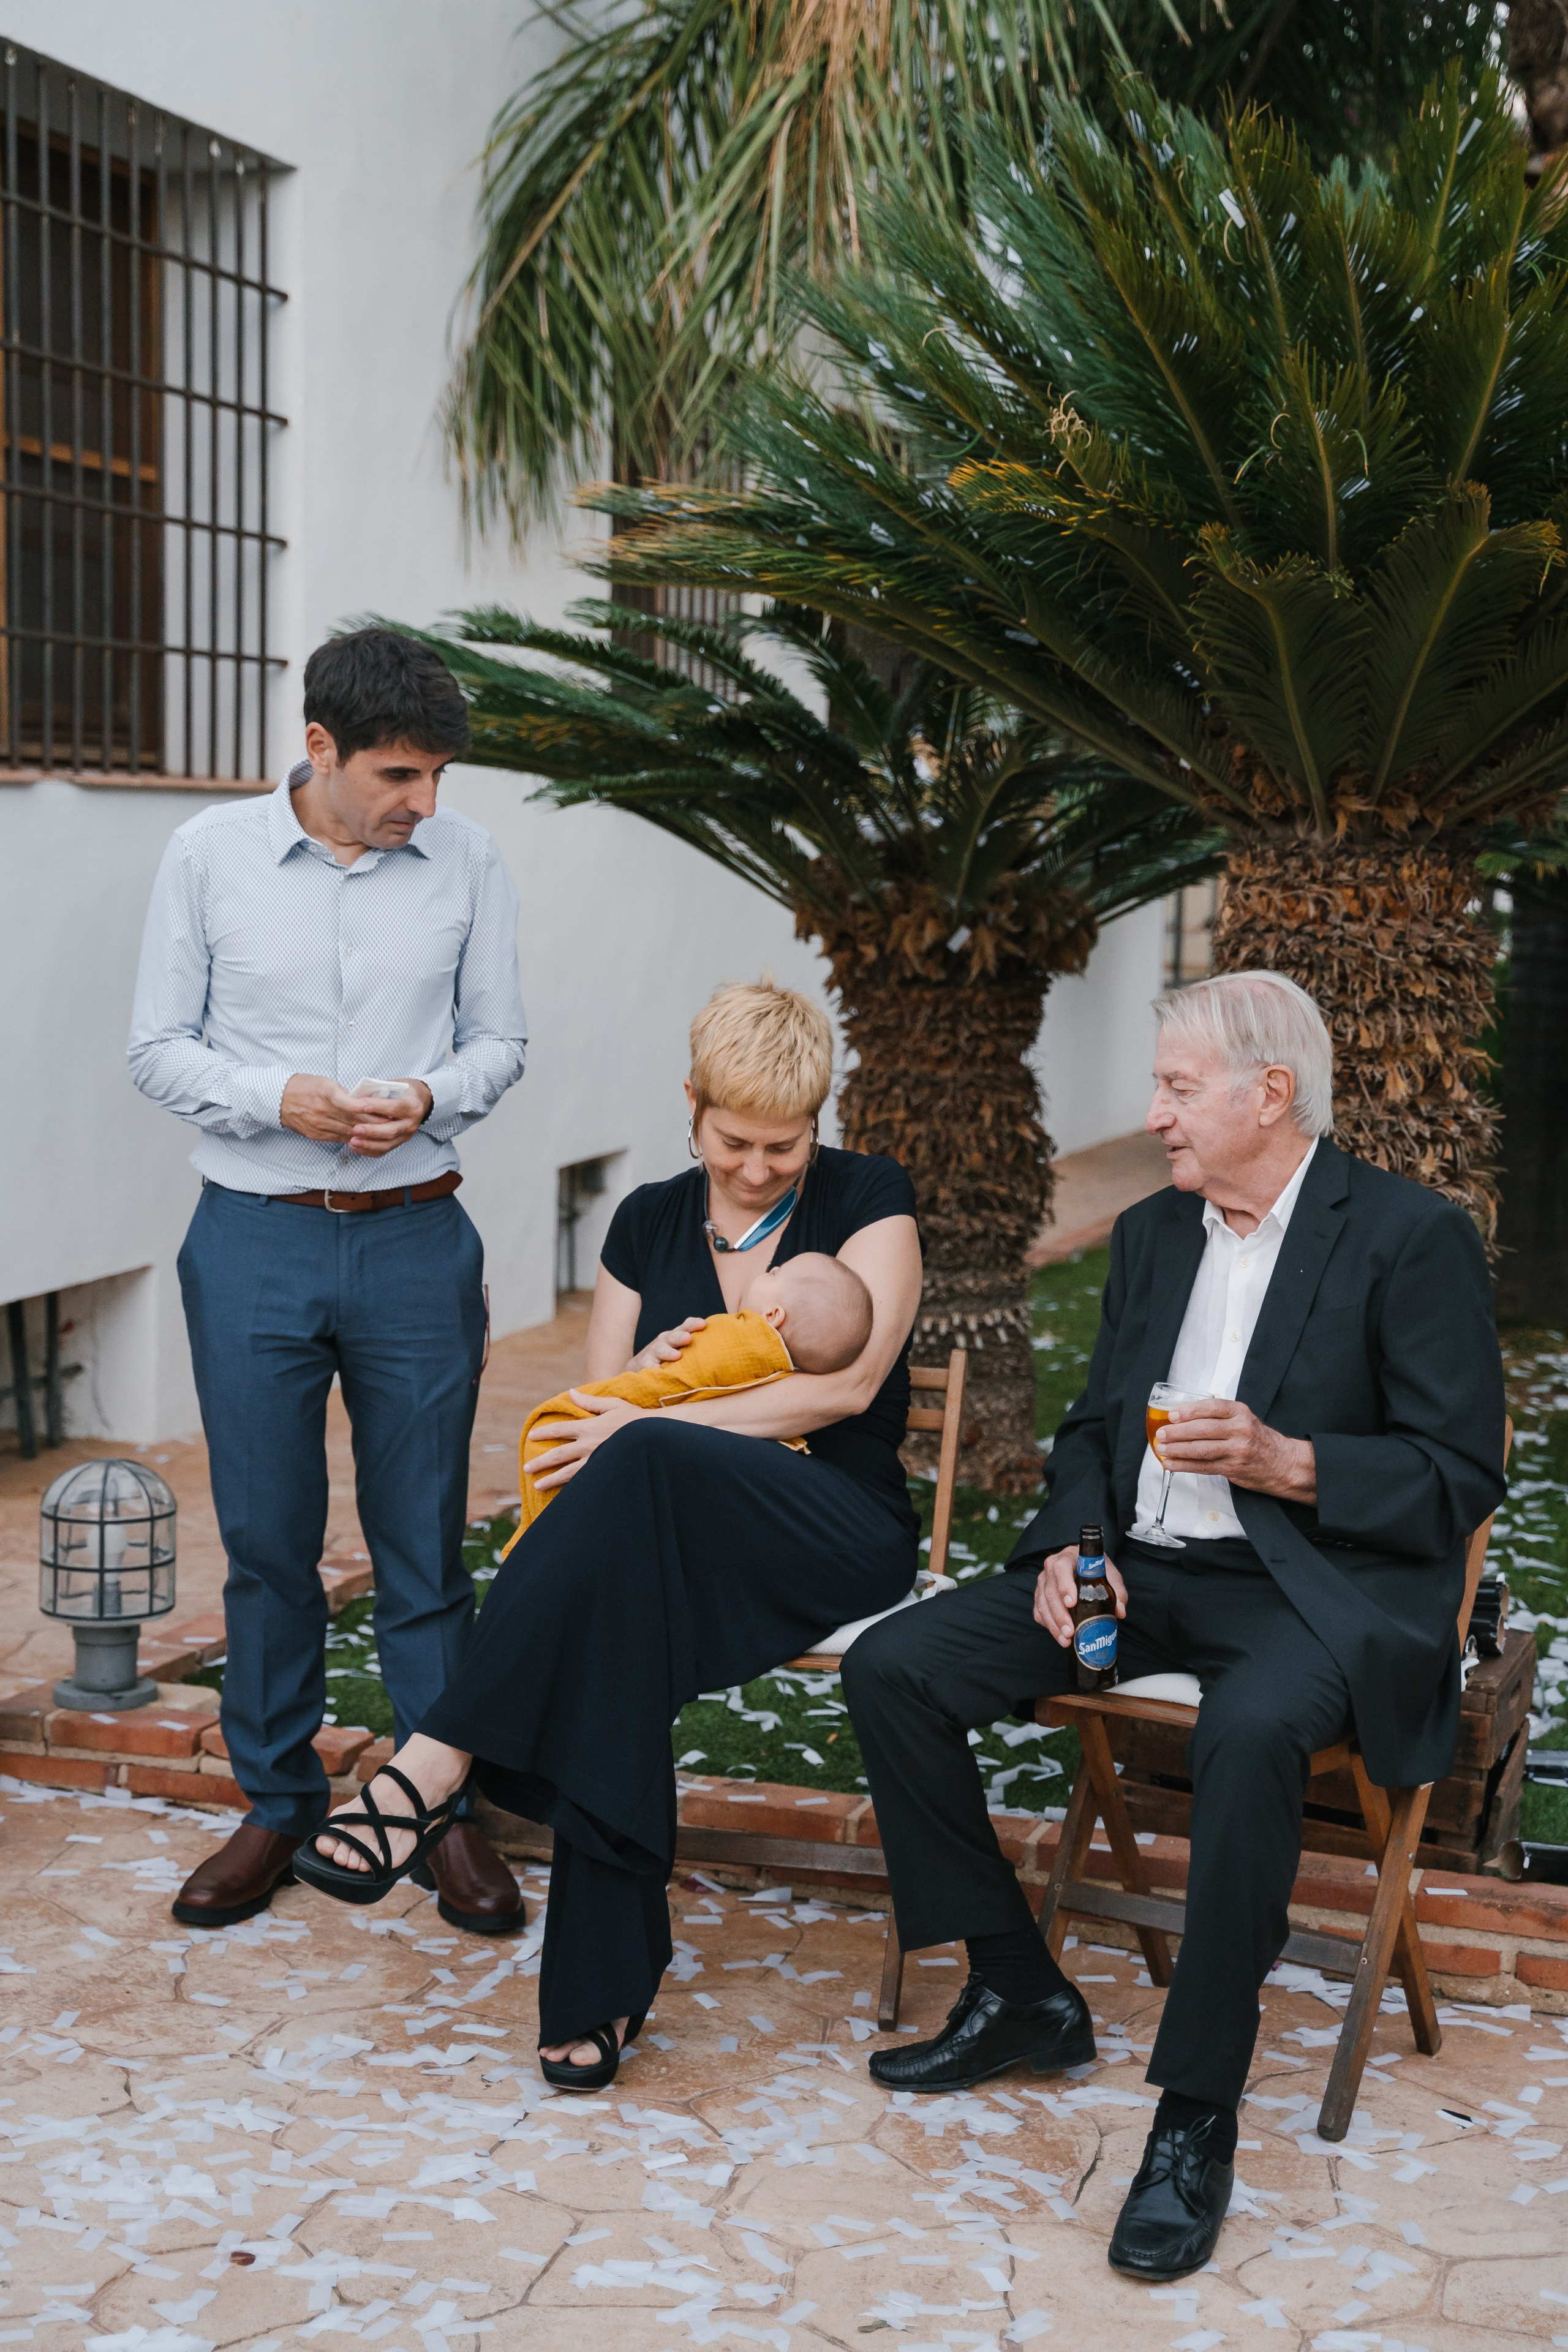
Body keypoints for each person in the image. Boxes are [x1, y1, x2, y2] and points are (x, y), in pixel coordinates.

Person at [840, 970, 1507, 2283]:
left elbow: (1456, 1474)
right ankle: (1018, 1988)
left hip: (1306, 1593)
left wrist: (1287, 1461)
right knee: (893, 1667)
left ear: (1270, 1094)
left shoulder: (1403, 1235)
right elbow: (1092, 1428)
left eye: (1174, 1087)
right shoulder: (1153, 1233)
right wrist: (1072, 1547)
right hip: (1137, 1570)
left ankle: (1192, 2122)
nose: (1151, 1114)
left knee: (1249, 1738)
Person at [292, 979, 924, 2092]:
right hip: (674, 1536)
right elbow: (595, 1418)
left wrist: (660, 1415)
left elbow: (848, 1388)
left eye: (788, 1144)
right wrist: (647, 1397)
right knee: (612, 1621)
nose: (764, 1168)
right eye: (737, 1141)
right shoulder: (643, 1223)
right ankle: (597, 1996)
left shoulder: (871, 1197)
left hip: (830, 1524)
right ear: (692, 1106)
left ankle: (436, 1757)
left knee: (630, 1481)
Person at [127, 628, 529, 1937]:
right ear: (320, 751)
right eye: (401, 776)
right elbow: (158, 1049)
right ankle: (277, 1801)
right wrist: (273, 1097)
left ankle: (431, 1807)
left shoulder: (466, 859)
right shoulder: (208, 860)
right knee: (265, 1541)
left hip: (417, 1236)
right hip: (253, 1234)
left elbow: (499, 1044)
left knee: (423, 1545)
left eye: (435, 778)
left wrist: (427, 1093)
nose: (424, 803)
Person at [513, 1251, 873, 1523]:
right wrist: (641, 1364)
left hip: (648, 1458)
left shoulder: (735, 1338)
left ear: (773, 1316)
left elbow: (675, 1379)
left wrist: (645, 1386)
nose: (766, 1271)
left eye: (774, 1273)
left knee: (550, 1442)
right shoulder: (779, 1375)